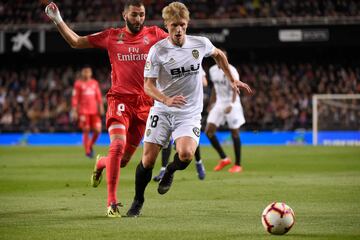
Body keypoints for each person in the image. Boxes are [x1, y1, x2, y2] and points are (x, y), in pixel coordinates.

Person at [126, 1, 253, 217]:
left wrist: (232, 80)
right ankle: (138, 201)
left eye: (182, 25)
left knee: (185, 155)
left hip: (189, 112)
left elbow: (219, 55)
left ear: (187, 24)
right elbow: (148, 85)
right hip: (163, 110)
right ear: (166, 25)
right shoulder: (157, 50)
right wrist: (165, 100)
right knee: (148, 160)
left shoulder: (200, 43)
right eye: (174, 25)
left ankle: (171, 172)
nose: (178, 30)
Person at [45, 0, 168, 217]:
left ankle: (101, 162)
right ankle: (111, 203)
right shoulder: (112, 36)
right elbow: (76, 42)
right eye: (134, 15)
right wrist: (57, 20)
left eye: (141, 15)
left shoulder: (156, 34)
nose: (138, 19)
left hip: (146, 105)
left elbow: (181, 46)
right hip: (119, 100)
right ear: (124, 15)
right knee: (117, 145)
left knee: (121, 162)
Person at [153, 69, 208, 181]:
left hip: (189, 108)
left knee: (191, 140)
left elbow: (205, 82)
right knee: (166, 140)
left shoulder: (193, 61)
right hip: (169, 106)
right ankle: (163, 169)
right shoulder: (165, 61)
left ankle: (199, 163)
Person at [205, 50, 246, 173]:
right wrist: (211, 103)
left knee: (234, 132)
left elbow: (235, 88)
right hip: (219, 103)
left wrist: (232, 104)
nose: (220, 59)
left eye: (222, 57)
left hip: (232, 102)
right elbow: (214, 88)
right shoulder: (212, 70)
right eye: (217, 57)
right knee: (209, 131)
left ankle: (238, 164)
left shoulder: (232, 70)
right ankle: (224, 158)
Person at [71, 66, 104, 158]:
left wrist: (101, 107)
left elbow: (98, 96)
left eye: (88, 72)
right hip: (83, 111)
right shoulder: (78, 84)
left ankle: (89, 145)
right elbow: (75, 98)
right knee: (86, 130)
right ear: (82, 73)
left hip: (94, 111)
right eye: (85, 72)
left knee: (98, 130)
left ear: (91, 73)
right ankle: (88, 151)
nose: (86, 74)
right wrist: (74, 111)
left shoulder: (94, 83)